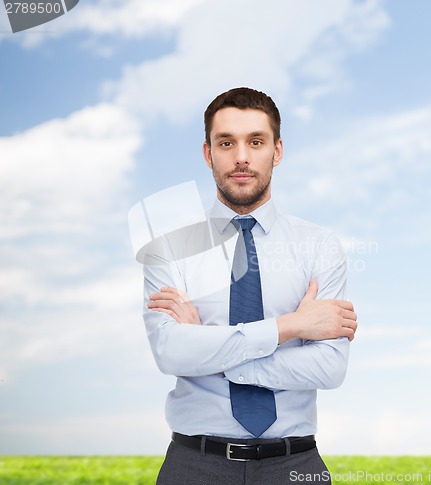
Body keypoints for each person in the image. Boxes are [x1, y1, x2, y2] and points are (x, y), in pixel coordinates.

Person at [143, 87, 358, 485]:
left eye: (255, 142)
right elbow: (171, 353)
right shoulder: (168, 249)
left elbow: (330, 367)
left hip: (295, 464)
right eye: (226, 143)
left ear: (277, 151)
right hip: (193, 466)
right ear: (208, 153)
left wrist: (208, 348)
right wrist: (290, 327)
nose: (241, 156)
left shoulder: (320, 247)